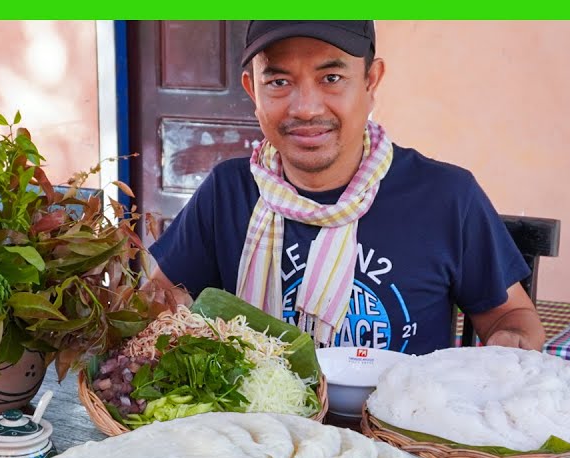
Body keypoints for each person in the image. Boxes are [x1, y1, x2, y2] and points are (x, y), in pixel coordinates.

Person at [145, 20, 547, 353]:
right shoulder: (228, 192)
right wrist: (157, 316)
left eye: (332, 78)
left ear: (371, 81)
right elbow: (159, 299)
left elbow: (510, 315)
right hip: (254, 425)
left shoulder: (447, 196)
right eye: (279, 81)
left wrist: (511, 341)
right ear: (253, 90)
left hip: (396, 425)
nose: (306, 108)